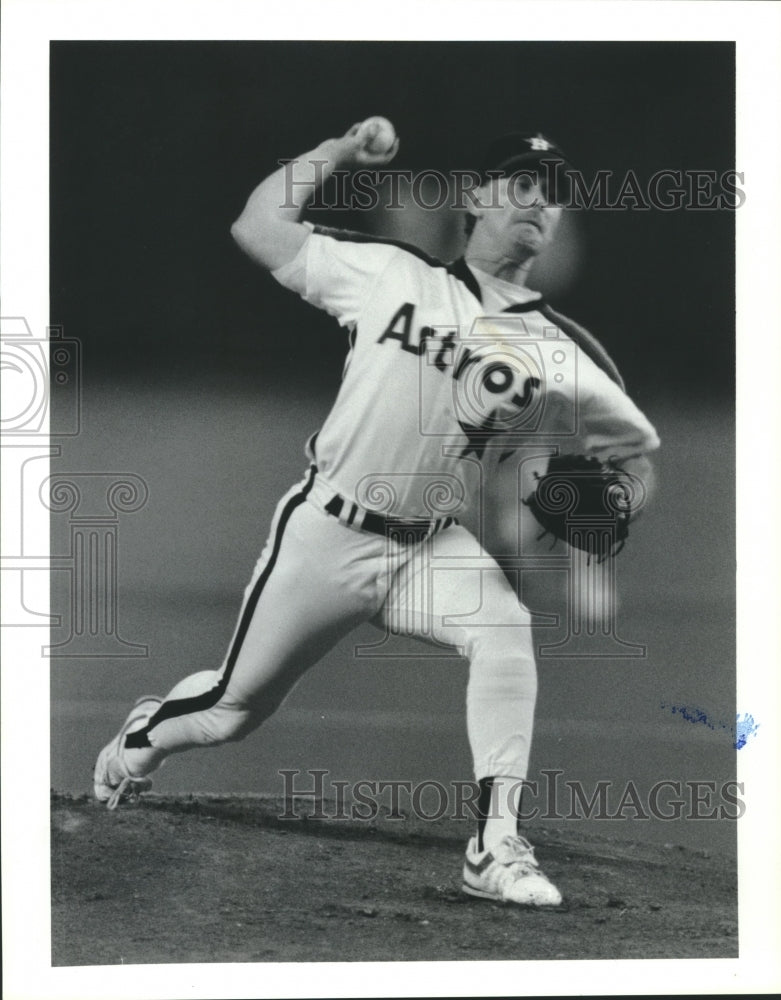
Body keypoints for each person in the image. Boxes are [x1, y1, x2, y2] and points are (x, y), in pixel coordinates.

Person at [94, 121, 660, 907]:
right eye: (520, 183)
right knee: (230, 711)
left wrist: (616, 500)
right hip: (326, 534)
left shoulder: (564, 352)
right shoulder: (390, 274)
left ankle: (494, 846)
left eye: (553, 193)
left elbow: (634, 454)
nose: (537, 202)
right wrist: (336, 152)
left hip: (428, 548)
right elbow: (257, 227)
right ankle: (139, 738)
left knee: (504, 627)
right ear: (475, 196)